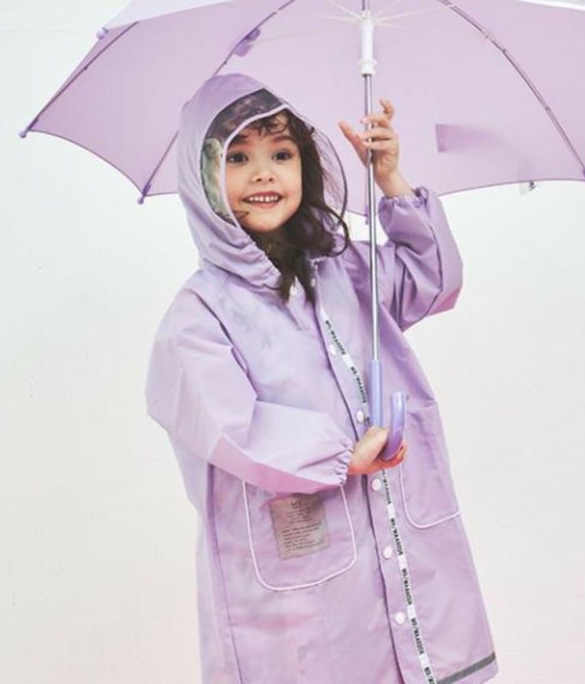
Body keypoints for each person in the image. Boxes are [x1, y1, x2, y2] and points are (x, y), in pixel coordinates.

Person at [145, 73, 499, 684]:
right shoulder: (199, 315)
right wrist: (340, 455)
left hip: (396, 536)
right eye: (238, 158)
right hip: (299, 574)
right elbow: (230, 426)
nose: (263, 174)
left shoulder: (344, 269)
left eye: (281, 154)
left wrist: (389, 178)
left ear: (306, 165)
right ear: (201, 181)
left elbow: (434, 280)